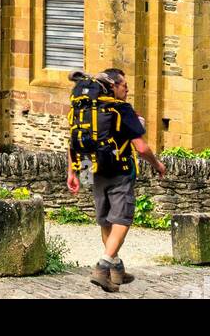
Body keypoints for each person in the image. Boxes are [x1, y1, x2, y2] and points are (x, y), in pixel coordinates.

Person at [65, 66, 166, 292]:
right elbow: (140, 147)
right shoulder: (121, 109)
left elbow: (73, 140)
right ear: (112, 86)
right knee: (122, 218)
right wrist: (157, 164)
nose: (127, 89)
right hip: (120, 170)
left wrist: (72, 172)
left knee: (105, 220)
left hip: (93, 170)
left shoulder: (82, 111)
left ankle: (116, 269)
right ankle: (103, 266)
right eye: (124, 85)